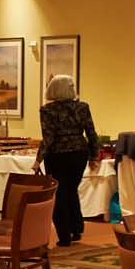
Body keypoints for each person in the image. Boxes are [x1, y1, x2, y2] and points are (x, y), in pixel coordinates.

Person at [34, 74, 98, 246]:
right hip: (79, 152)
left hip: (57, 154)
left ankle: (64, 235)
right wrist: (94, 156)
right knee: (71, 189)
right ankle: (76, 228)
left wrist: (38, 160)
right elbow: (91, 133)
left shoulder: (47, 110)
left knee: (59, 194)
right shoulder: (82, 107)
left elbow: (48, 137)